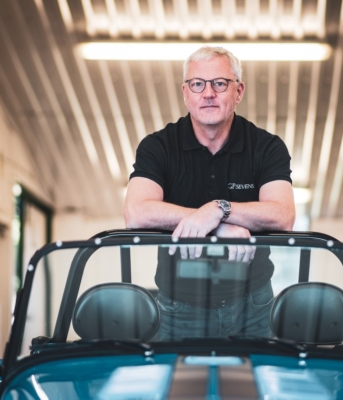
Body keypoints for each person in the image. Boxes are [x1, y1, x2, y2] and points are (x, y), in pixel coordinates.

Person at [124, 46, 295, 340]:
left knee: (258, 374)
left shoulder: (267, 147)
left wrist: (219, 209)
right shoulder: (158, 146)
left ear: (238, 91)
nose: (208, 93)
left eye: (219, 83)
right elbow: (136, 213)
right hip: (177, 308)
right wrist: (216, 226)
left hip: (253, 306)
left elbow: (283, 216)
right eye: (197, 84)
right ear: (185, 93)